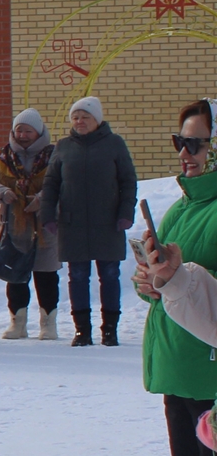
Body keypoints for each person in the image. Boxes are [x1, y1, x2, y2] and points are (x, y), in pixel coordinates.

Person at [130, 99, 217, 456]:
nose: (184, 153)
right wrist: (151, 282)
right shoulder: (182, 207)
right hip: (178, 367)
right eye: (179, 142)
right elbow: (168, 287)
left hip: (210, 371)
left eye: (196, 143)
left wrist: (179, 277)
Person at [39, 96, 139, 346]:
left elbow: (128, 181)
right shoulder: (63, 147)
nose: (79, 121)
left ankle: (110, 330)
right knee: (78, 275)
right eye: (75, 117)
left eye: (85, 117)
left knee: (110, 274)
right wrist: (48, 215)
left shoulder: (114, 144)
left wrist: (126, 213)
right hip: (72, 224)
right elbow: (51, 184)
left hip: (108, 222)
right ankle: (82, 330)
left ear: (97, 119)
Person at [0, 109, 62, 341]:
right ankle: (18, 323)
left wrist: (42, 200)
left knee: (46, 275)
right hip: (15, 225)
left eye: (28, 131)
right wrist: (1, 192)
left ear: (38, 132)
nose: (23, 135)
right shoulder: (3, 155)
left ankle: (48, 324)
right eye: (19, 130)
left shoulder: (54, 155)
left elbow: (63, 184)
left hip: (46, 225)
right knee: (15, 274)